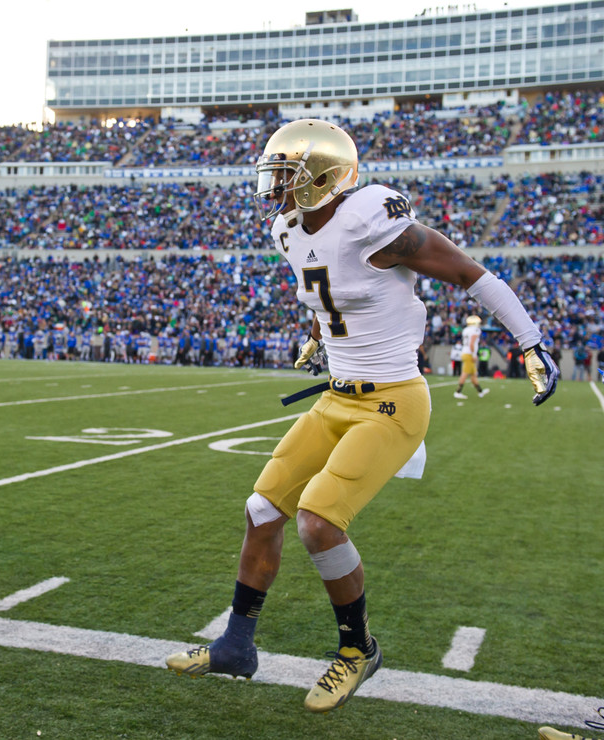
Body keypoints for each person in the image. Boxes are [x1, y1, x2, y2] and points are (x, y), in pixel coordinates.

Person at [165, 119, 558, 714]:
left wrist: (530, 341)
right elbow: (326, 292)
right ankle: (237, 646)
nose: (274, 186)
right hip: (337, 396)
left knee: (319, 522)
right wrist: (318, 337)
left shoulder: (372, 219)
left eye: (286, 174)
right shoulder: (288, 229)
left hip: (392, 401)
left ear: (322, 176)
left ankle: (358, 651)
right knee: (262, 508)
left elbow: (469, 272)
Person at [454, 315, 489, 399]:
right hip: (469, 354)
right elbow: (471, 344)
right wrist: (474, 355)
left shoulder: (466, 330)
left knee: (473, 375)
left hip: (465, 352)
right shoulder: (475, 330)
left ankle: (480, 391)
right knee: (465, 373)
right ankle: (457, 392)